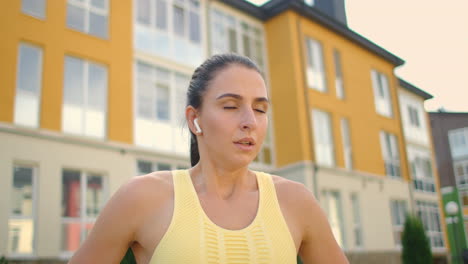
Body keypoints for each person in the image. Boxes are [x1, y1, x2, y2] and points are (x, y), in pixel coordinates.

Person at [69, 54, 349, 264]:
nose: (250, 121)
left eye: (260, 109)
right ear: (195, 119)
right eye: (230, 106)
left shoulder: (296, 201)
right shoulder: (142, 197)